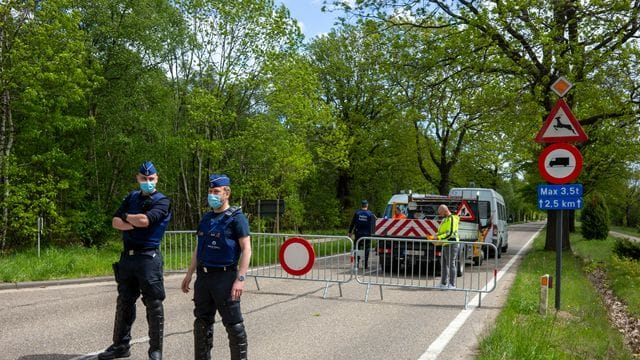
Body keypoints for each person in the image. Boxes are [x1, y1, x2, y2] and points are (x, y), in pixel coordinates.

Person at [100, 161, 172, 360]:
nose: (147, 182)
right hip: (128, 258)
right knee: (124, 302)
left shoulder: (162, 201)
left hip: (149, 259)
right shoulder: (131, 197)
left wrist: (130, 220)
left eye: (151, 179)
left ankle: (155, 351)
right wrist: (133, 220)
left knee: (154, 304)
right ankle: (120, 346)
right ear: (137, 178)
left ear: (156, 179)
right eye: (144, 179)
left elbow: (146, 221)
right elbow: (115, 222)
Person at [181, 174, 252, 360]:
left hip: (225, 278)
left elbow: (247, 250)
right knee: (201, 323)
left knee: (233, 324)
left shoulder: (237, 219)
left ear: (226, 193)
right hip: (203, 278)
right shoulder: (206, 218)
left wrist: (240, 279)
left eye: (216, 192)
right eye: (210, 191)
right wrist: (189, 274)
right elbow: (199, 247)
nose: (212, 195)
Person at [427, 204, 460, 289]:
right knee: (444, 264)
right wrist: (435, 235)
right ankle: (443, 283)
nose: (440, 215)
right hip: (445, 243)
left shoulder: (452, 219)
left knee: (451, 264)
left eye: (441, 213)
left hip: (452, 243)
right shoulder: (445, 219)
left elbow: (450, 233)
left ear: (445, 211)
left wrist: (438, 237)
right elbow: (442, 232)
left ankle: (452, 284)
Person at [348, 199, 376, 269]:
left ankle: (357, 263)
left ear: (362, 205)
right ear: (367, 205)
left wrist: (350, 232)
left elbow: (352, 223)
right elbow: (374, 224)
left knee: (357, 247)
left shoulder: (357, 213)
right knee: (367, 248)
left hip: (358, 234)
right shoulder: (370, 214)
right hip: (367, 234)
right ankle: (365, 264)